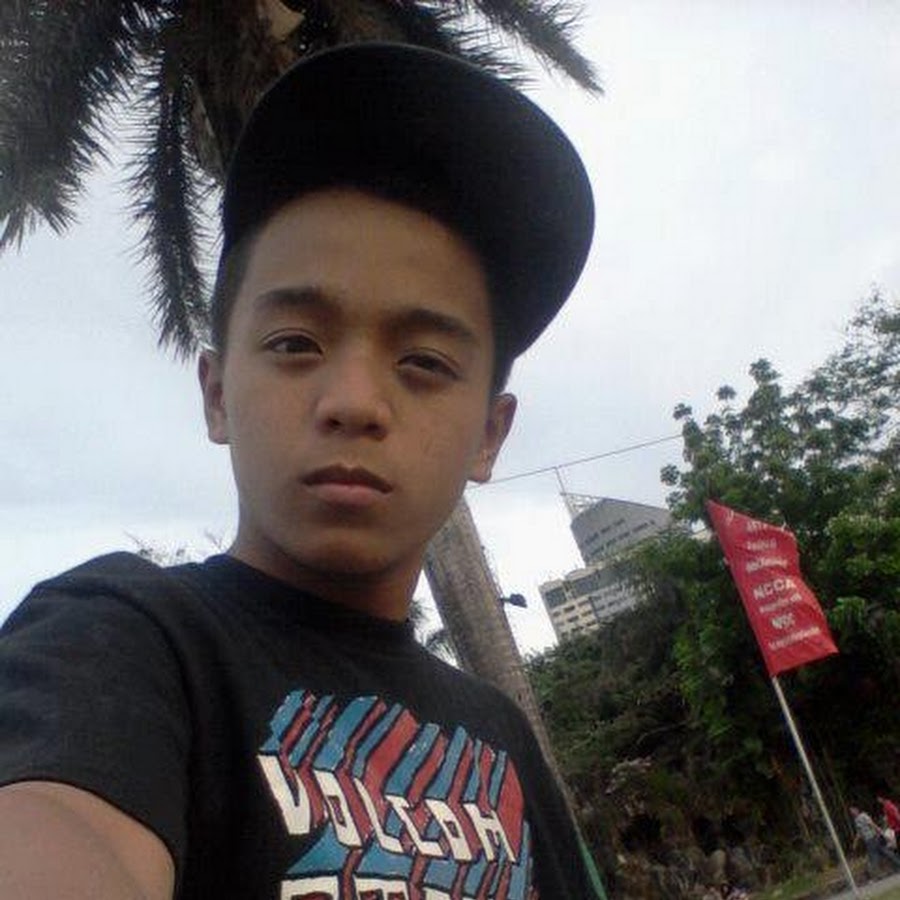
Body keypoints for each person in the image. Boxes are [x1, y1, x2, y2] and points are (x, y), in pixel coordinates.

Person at [0, 43, 598, 900]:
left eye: (425, 362)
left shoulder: (499, 736)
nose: (353, 401)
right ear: (217, 395)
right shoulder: (121, 641)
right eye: (294, 344)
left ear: (489, 436)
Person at [850, 805, 900, 880]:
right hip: (869, 839)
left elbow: (872, 824)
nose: (851, 812)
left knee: (873, 857)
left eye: (852, 810)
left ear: (856, 809)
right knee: (885, 852)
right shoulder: (856, 820)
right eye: (850, 811)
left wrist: (881, 833)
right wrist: (855, 843)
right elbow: (859, 832)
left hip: (872, 838)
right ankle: (896, 865)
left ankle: (877, 875)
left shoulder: (863, 816)